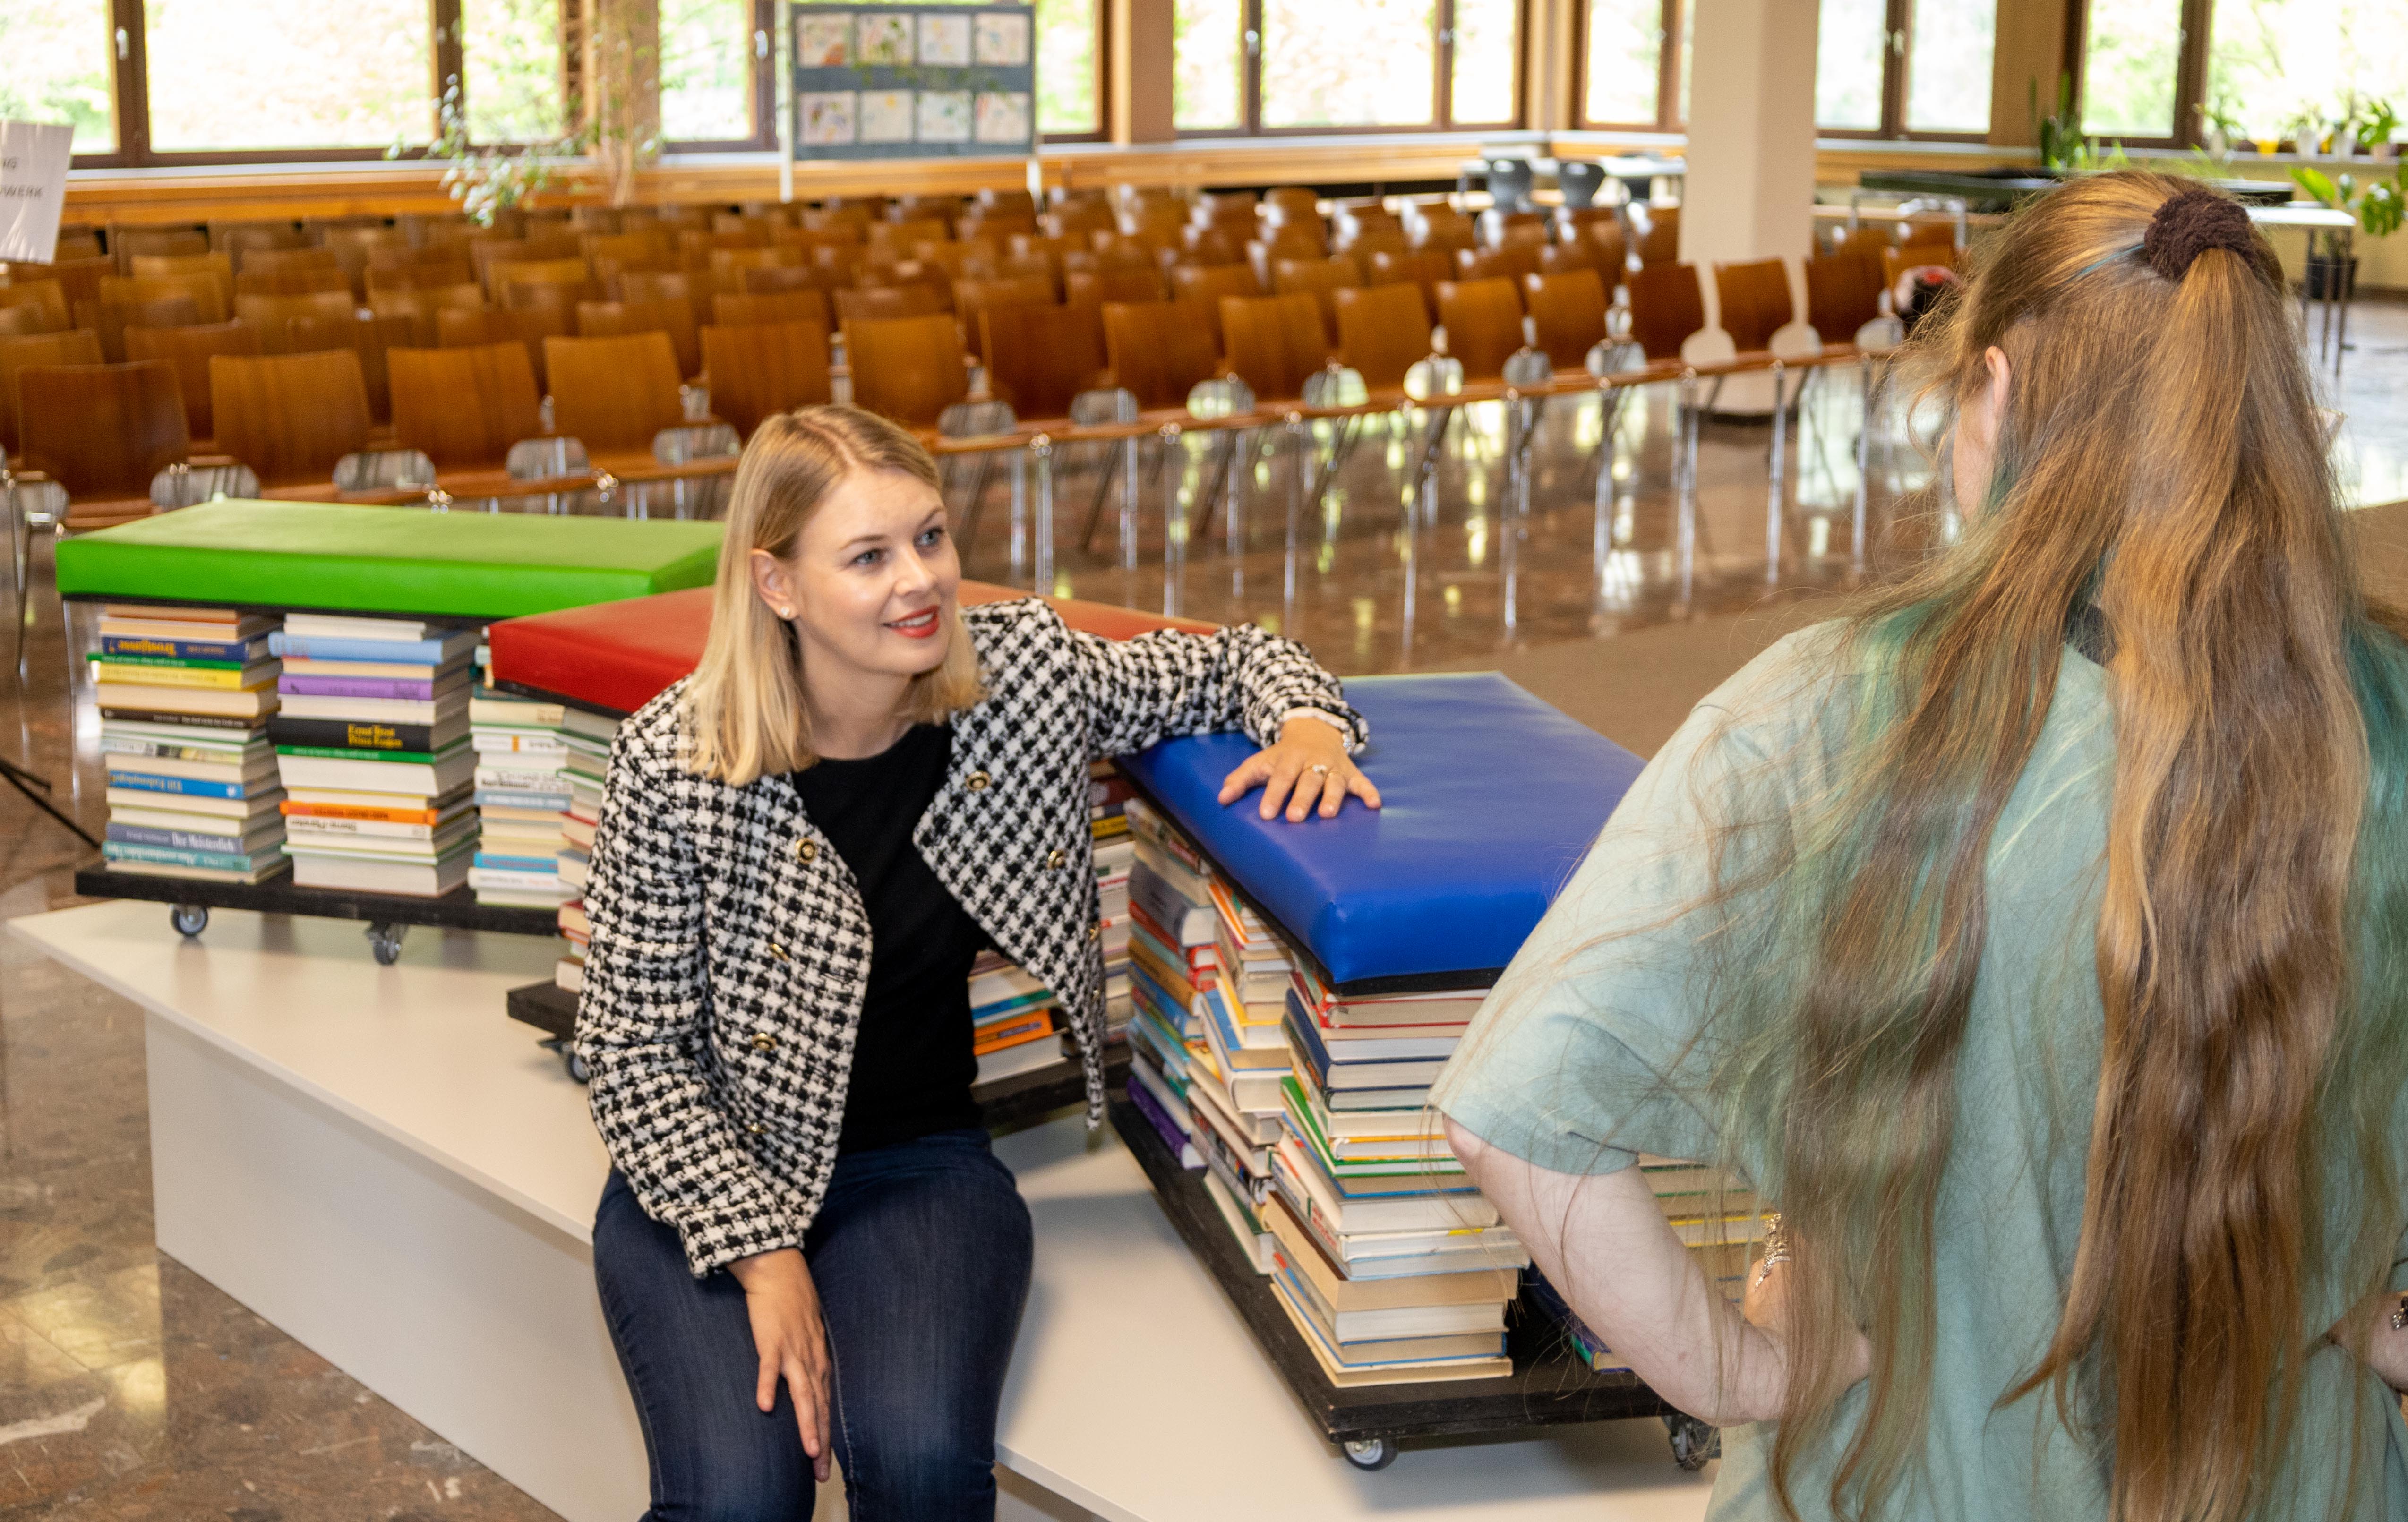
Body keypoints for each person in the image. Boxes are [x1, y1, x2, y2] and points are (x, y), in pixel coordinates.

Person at [1434, 171, 2408, 1522]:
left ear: (1995, 392)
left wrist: (1743, 1367)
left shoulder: (1823, 715)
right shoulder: (2387, 727)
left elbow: (1517, 1115)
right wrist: (2348, 1295)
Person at [573, 404, 1378, 1522]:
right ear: (777, 585)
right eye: (868, 556)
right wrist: (764, 1254)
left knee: (918, 1473)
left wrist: (1309, 729)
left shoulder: (1022, 678)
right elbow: (630, 1049)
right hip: (713, 1165)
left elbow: (1238, 658)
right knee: (736, 1502)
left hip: (917, 1161)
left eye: (931, 538)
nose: (920, 582)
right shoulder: (673, 759)